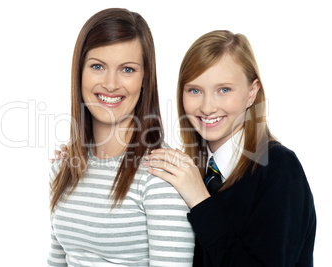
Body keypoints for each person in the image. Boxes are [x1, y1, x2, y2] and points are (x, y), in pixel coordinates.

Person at [143, 30, 316, 266]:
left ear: (252, 93)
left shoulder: (279, 168)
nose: (207, 107)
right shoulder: (195, 171)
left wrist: (200, 200)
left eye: (224, 90)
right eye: (194, 90)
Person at [48, 8, 195, 266]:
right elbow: (56, 261)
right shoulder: (63, 166)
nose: (111, 84)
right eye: (97, 66)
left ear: (144, 79)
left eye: (127, 69)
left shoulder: (161, 175)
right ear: (79, 72)